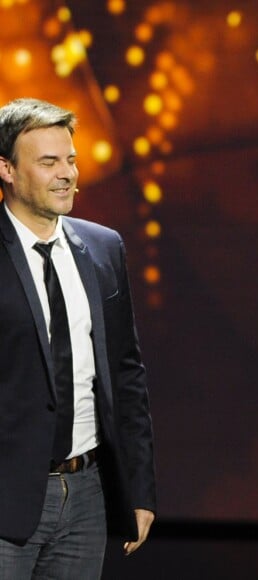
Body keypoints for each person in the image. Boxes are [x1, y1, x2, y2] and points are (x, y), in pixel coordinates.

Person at [0, 98, 156, 579]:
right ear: (6, 169)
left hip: (87, 495)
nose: (66, 173)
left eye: (70, 159)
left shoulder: (104, 247)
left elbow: (126, 372)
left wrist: (139, 488)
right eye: (48, 162)